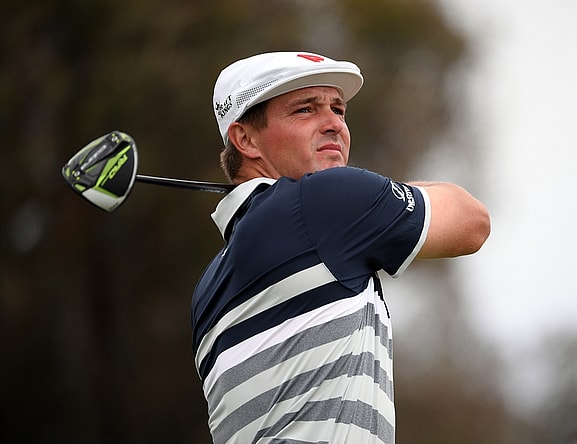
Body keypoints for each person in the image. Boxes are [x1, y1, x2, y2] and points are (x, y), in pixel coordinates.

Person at [191, 51, 490, 444]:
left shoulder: (207, 289)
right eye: (305, 109)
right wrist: (371, 197)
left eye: (338, 109)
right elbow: (472, 221)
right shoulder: (323, 204)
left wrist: (371, 200)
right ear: (245, 139)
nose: (334, 124)